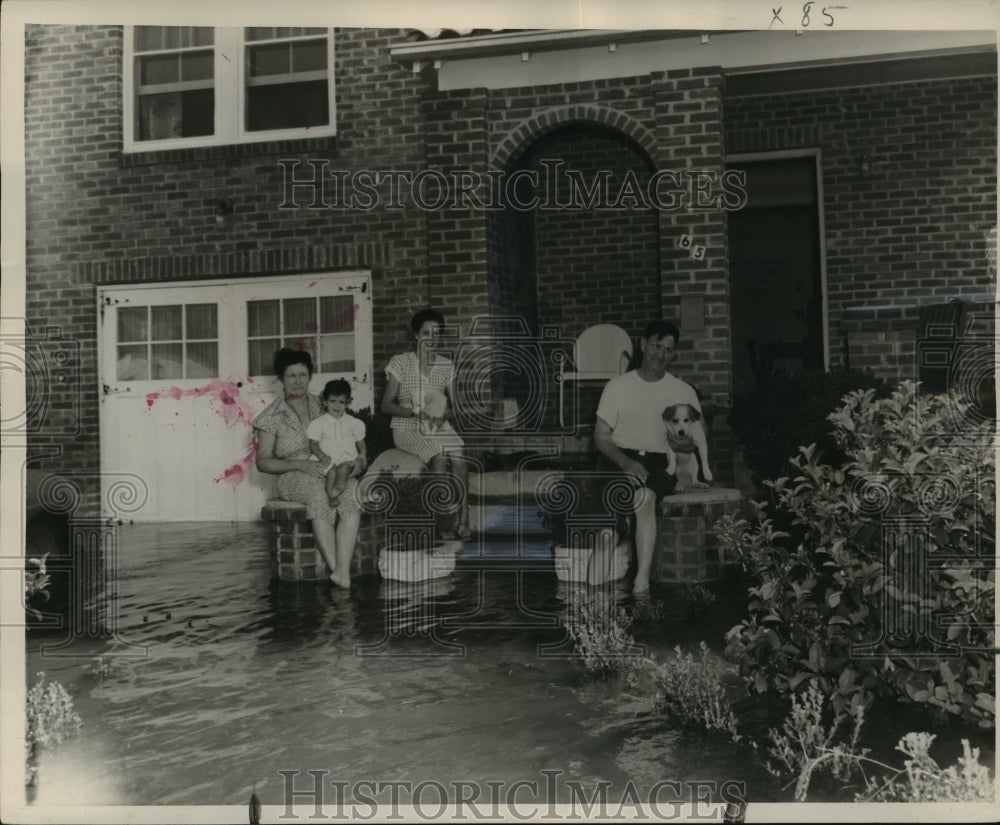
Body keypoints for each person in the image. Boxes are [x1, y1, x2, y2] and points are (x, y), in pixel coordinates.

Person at [593, 320, 701, 595]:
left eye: (668, 350)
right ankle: (592, 595)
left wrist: (684, 451)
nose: (660, 354)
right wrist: (625, 463)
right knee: (606, 528)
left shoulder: (682, 390)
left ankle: (641, 583)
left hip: (657, 459)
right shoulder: (617, 386)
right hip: (617, 457)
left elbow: (697, 438)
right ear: (643, 345)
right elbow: (601, 437)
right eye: (656, 346)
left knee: (645, 499)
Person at [253, 348, 363, 588]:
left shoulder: (324, 404)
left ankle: (340, 573)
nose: (297, 381)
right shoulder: (271, 416)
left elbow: (347, 435)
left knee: (352, 493)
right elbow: (262, 461)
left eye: (302, 374)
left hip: (329, 467)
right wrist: (301, 465)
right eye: (291, 375)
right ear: (281, 378)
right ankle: (339, 571)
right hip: (292, 473)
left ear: (310, 376)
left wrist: (353, 463)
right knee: (318, 495)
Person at [379, 308, 471, 539]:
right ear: (417, 335)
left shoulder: (446, 365)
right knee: (438, 454)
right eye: (426, 333)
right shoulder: (400, 363)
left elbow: (456, 407)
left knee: (459, 455)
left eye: (436, 334)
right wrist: (413, 413)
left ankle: (464, 516)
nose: (432, 339)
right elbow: (386, 405)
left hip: (437, 424)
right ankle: (445, 520)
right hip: (406, 426)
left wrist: (442, 415)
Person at [307, 379, 368, 505]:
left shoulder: (353, 423)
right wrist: (322, 456)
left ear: (348, 403)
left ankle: (340, 485)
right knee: (331, 470)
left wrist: (363, 454)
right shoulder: (319, 423)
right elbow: (313, 444)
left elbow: (360, 442)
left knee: (345, 468)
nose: (337, 406)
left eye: (341, 402)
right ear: (325, 402)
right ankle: (331, 494)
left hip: (345, 457)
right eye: (332, 401)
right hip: (327, 458)